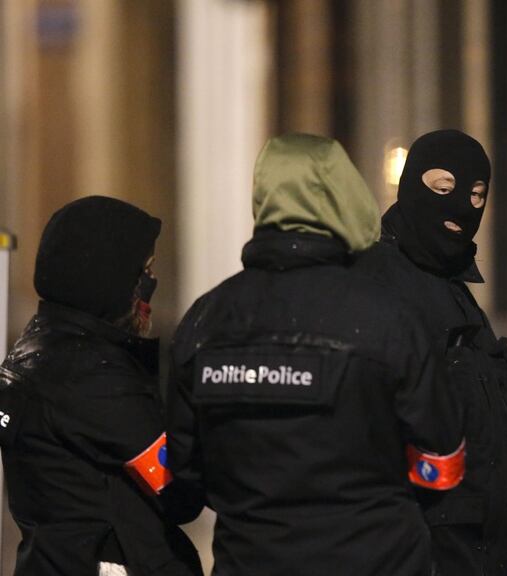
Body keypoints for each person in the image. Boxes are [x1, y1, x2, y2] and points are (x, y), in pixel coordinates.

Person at [165, 133, 465, 576]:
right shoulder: (388, 319)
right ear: (343, 196)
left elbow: (185, 476)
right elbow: (442, 464)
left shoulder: (204, 323)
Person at [356, 129, 507, 575]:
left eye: (476, 196)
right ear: (413, 185)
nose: (461, 208)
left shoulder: (455, 294)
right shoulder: (377, 290)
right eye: (442, 189)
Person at [0, 196, 202, 576]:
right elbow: (180, 491)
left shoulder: (38, 347)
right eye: (144, 272)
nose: (150, 286)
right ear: (110, 277)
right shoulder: (93, 378)